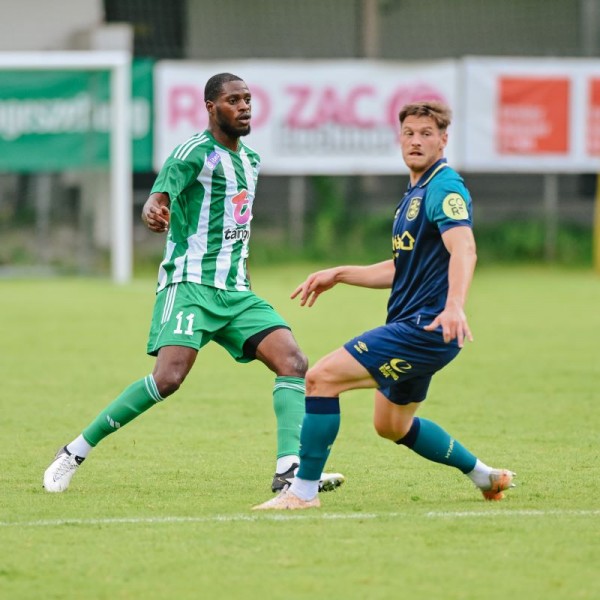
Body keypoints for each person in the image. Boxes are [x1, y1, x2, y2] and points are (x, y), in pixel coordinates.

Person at [43, 72, 344, 495]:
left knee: (293, 361)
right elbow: (160, 194)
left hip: (237, 292)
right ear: (210, 107)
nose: (244, 107)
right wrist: (153, 210)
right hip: (189, 286)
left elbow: (236, 230)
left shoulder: (251, 161)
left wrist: (243, 281)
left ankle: (289, 471)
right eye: (233, 100)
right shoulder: (193, 153)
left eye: (247, 99)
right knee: (168, 379)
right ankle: (74, 451)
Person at [253, 100, 515, 511]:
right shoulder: (417, 191)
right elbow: (401, 268)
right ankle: (486, 476)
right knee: (391, 425)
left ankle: (302, 492)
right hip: (422, 328)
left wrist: (455, 306)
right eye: (409, 133)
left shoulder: (444, 187)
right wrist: (339, 273)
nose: (416, 141)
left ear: (444, 139)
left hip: (424, 327)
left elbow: (464, 249)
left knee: (320, 379)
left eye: (427, 133)